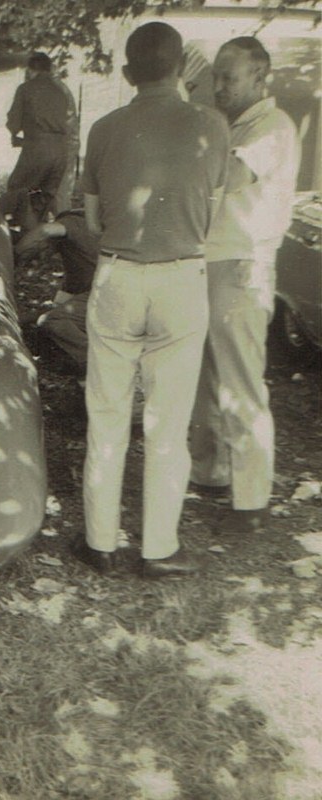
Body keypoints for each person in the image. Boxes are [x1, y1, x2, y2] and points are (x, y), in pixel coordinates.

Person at [74, 21, 229, 578]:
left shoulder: (103, 129)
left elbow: (92, 219)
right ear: (180, 69)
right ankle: (159, 547)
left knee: (108, 412)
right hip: (182, 276)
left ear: (126, 74)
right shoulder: (212, 125)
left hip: (118, 273)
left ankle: (100, 541)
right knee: (168, 420)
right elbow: (210, 208)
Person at [189, 38, 300, 534]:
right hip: (211, 260)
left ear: (261, 77)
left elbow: (229, 175)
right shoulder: (230, 122)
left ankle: (251, 500)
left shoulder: (273, 128)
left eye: (229, 79)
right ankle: (211, 472)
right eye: (215, 77)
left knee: (240, 383)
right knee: (206, 376)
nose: (218, 87)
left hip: (242, 264)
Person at [16, 209, 99, 376]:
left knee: (53, 321)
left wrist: (15, 254)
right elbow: (59, 306)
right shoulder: (76, 265)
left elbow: (44, 230)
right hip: (119, 297)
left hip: (119, 296)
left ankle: (101, 363)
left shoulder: (73, 223)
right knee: (54, 320)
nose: (40, 257)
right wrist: (18, 320)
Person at [6, 52, 79, 223]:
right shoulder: (61, 89)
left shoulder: (26, 88)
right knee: (50, 198)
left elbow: (13, 123)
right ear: (50, 68)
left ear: (31, 70)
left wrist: (17, 134)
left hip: (38, 151)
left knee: (17, 191)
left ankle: (24, 239)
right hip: (61, 151)